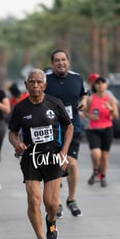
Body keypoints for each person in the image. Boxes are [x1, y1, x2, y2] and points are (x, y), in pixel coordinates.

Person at [8, 68, 73, 239]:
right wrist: (16, 143)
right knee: (33, 199)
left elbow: (69, 127)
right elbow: (12, 133)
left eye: (39, 82)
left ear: (44, 85)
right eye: (32, 82)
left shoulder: (54, 103)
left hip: (53, 156)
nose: (35, 85)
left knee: (51, 204)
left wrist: (64, 152)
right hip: (31, 158)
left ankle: (51, 221)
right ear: (26, 85)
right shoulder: (20, 108)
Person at [45, 49, 88, 218]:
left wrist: (83, 102)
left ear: (68, 61)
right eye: (57, 60)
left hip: (72, 127)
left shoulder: (76, 78)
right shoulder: (46, 80)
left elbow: (84, 95)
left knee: (71, 164)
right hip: (51, 130)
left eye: (63, 60)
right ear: (52, 63)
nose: (60, 63)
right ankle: (58, 202)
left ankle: (71, 199)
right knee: (55, 166)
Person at [84, 77, 119, 187]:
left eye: (102, 83)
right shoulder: (91, 99)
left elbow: (116, 116)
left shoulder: (110, 99)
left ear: (106, 86)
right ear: (94, 86)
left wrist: (111, 109)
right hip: (94, 129)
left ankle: (102, 176)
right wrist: (90, 117)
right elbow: (85, 112)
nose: (100, 85)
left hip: (107, 129)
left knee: (104, 156)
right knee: (96, 154)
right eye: (97, 83)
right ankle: (95, 171)